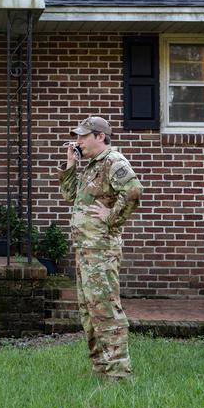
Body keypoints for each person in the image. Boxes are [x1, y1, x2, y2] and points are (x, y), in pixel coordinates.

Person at [58, 116, 142, 382]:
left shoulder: (113, 161)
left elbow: (133, 191)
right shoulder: (93, 165)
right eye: (78, 136)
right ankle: (101, 369)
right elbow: (70, 197)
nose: (78, 140)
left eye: (84, 136)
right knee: (89, 311)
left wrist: (111, 217)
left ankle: (119, 375)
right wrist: (72, 164)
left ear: (100, 137)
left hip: (101, 250)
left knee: (105, 309)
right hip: (85, 249)